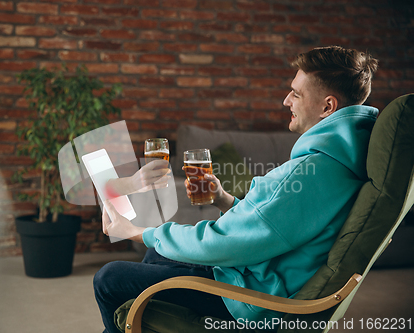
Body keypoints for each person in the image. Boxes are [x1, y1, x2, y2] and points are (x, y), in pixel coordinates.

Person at [93, 46, 379, 332]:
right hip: (255, 274)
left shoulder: (312, 171)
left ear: (327, 107)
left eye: (296, 93)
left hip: (250, 297)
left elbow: (226, 241)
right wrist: (224, 199)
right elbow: (271, 224)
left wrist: (137, 232)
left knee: (109, 278)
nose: (285, 100)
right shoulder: (340, 161)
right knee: (158, 255)